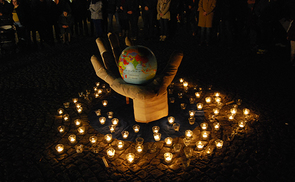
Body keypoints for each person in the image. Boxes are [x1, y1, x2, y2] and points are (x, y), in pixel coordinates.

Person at [91, 33, 183, 123]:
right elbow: (171, 69)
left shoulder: (138, 91)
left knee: (110, 61)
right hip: (159, 111)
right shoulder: (161, 83)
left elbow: (117, 85)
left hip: (142, 119)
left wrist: (106, 76)